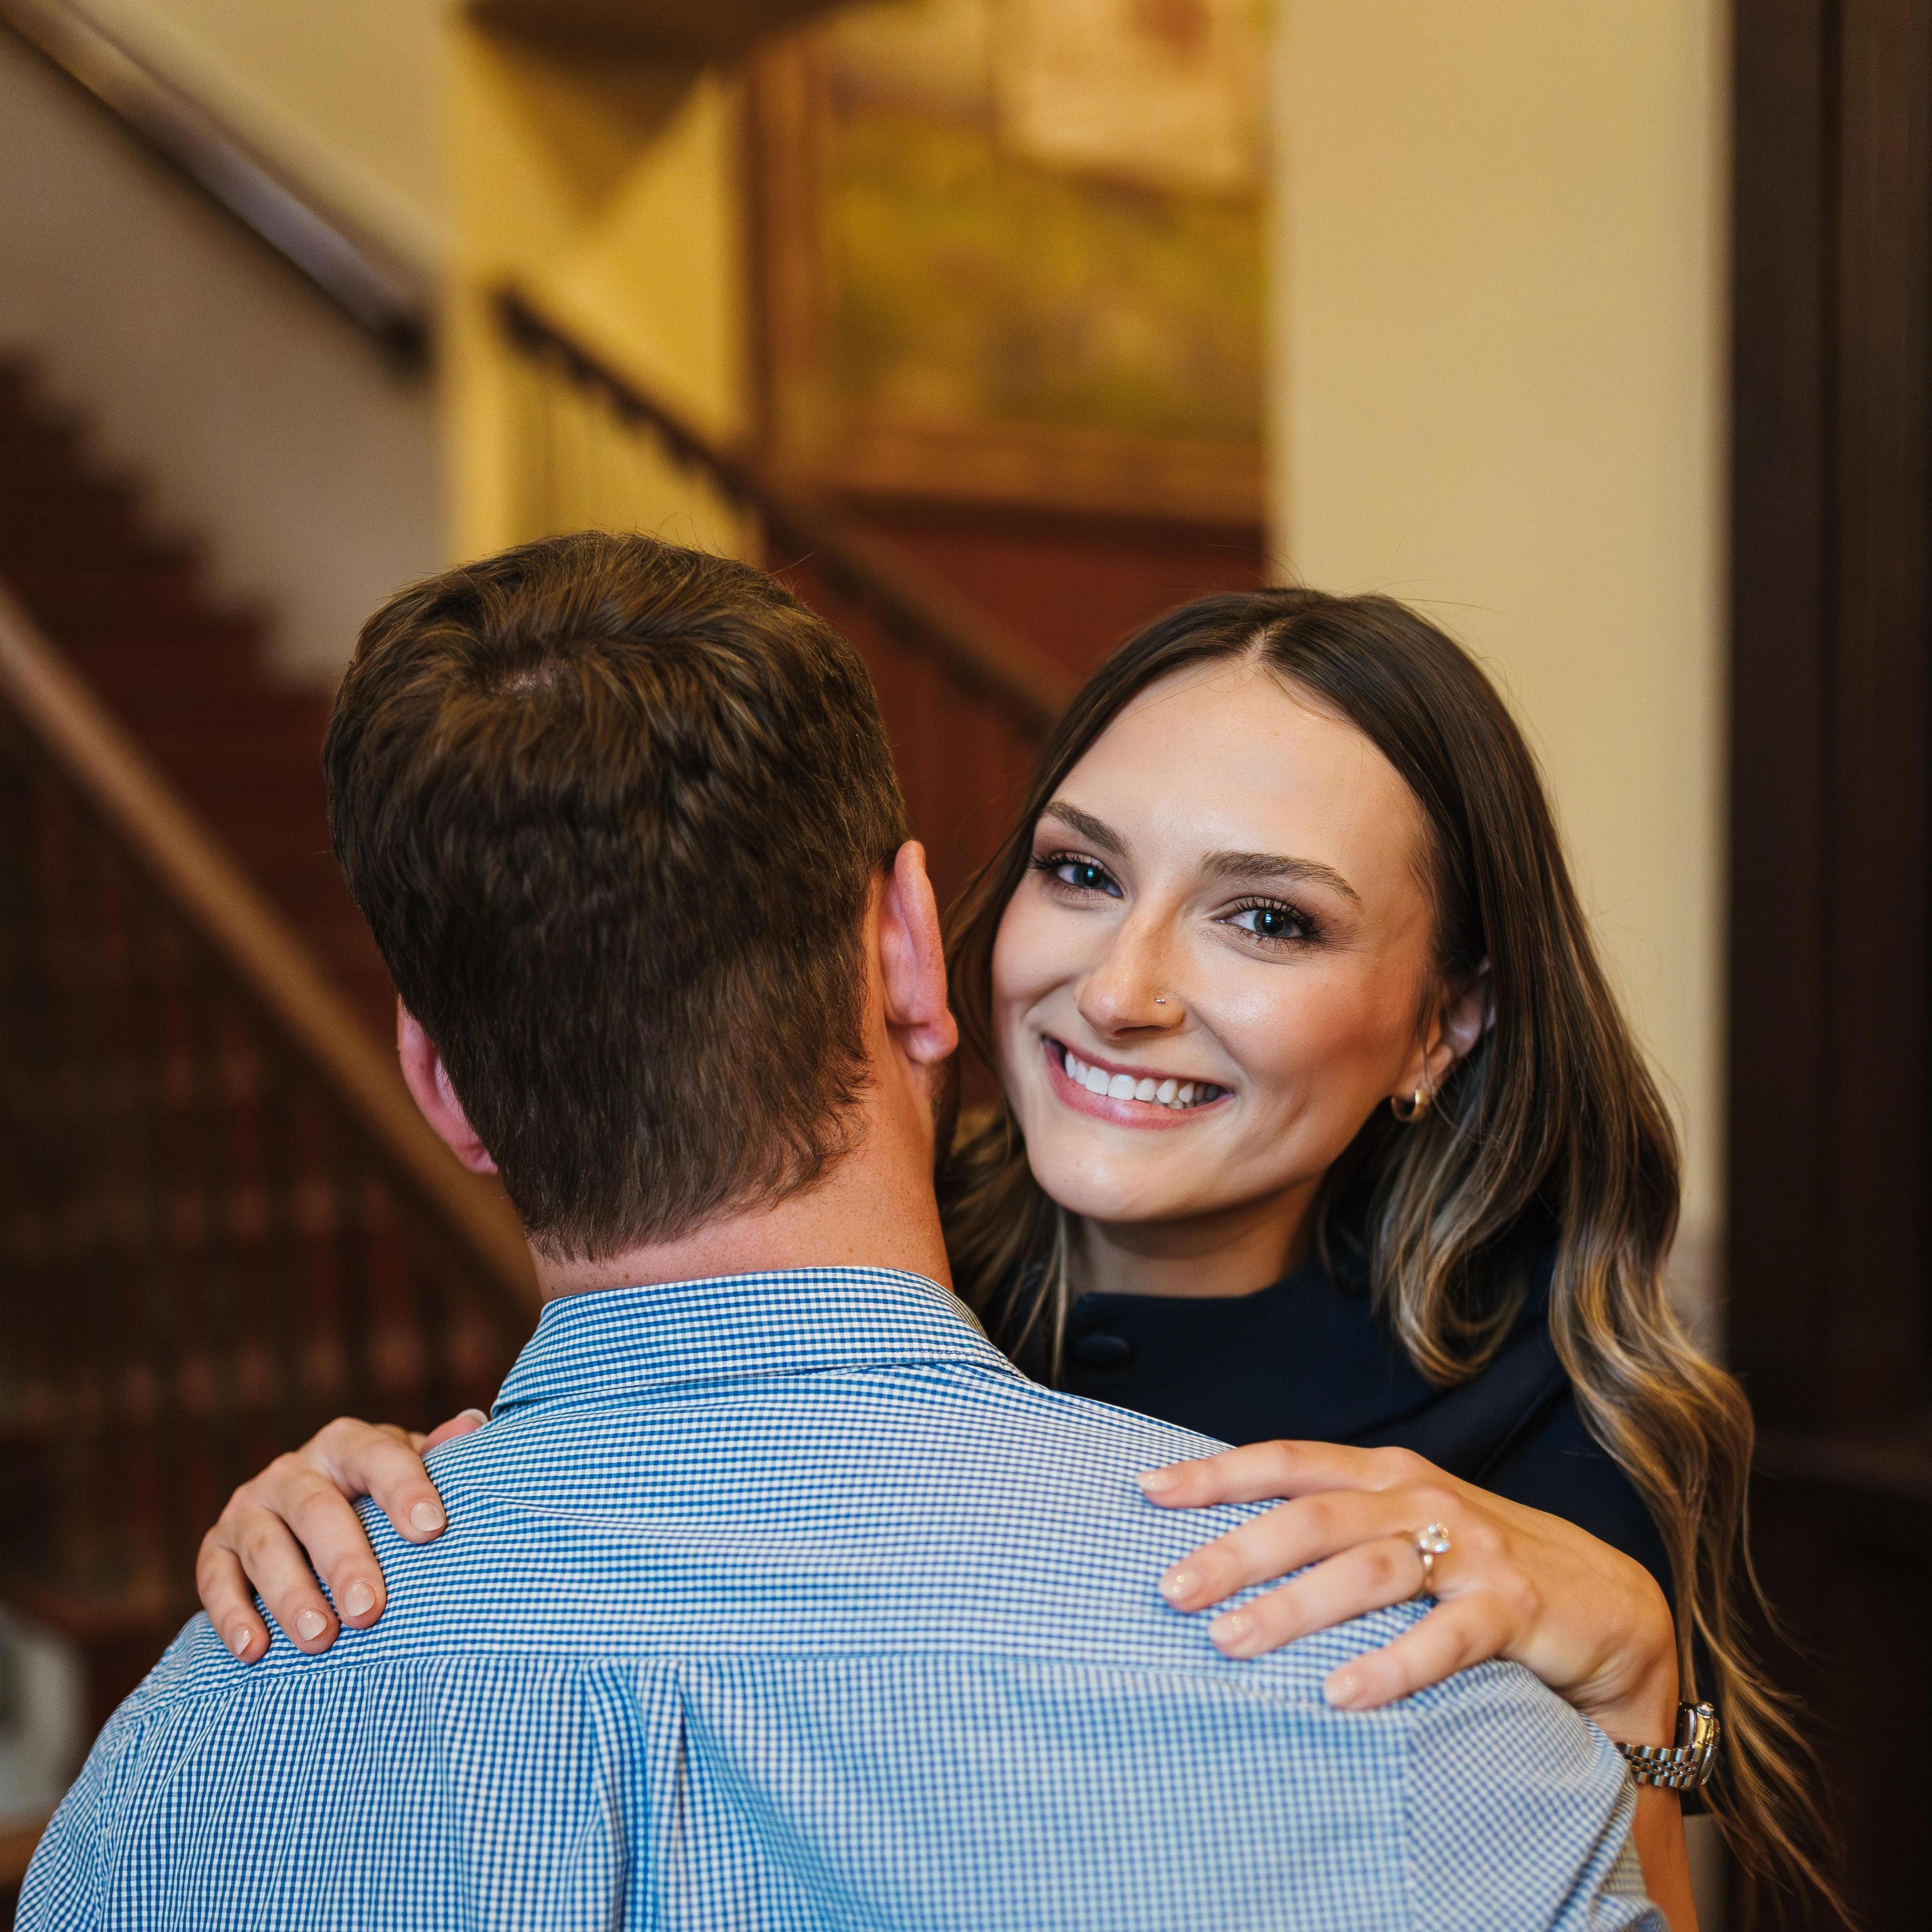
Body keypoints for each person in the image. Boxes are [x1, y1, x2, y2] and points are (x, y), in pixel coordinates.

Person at [20, 535, 1659, 1931]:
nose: (1122, 989)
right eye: (1081, 872)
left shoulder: (1547, 1462)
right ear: (916, 951)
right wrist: (350, 1495)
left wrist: (1641, 1687)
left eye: (1268, 917)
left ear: (1446, 1022)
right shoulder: (840, 1278)